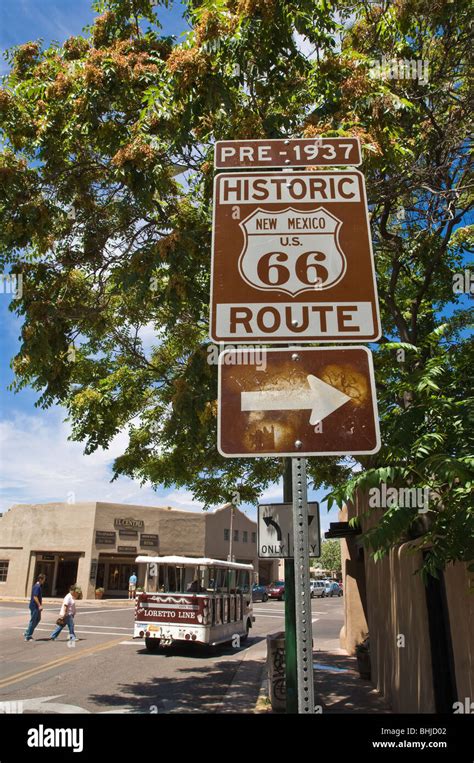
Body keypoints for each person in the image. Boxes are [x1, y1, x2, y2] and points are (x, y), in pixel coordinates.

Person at [24, 573, 46, 641]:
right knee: (33, 621)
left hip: (35, 606)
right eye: (44, 579)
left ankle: (28, 632)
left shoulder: (38, 586)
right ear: (40, 579)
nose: (44, 581)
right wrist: (39, 605)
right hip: (35, 606)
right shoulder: (37, 586)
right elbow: (35, 597)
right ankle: (28, 636)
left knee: (38, 619)